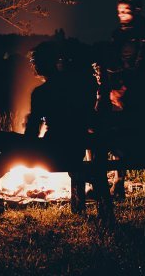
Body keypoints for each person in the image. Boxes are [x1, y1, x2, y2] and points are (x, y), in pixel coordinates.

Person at [96, 0, 145, 197]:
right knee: (119, 130)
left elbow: (142, 66)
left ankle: (125, 179)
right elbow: (112, 63)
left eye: (126, 11)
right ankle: (124, 179)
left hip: (134, 95)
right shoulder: (118, 34)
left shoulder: (144, 36)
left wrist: (124, 90)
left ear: (136, 11)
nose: (122, 14)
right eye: (119, 11)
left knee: (123, 130)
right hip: (119, 92)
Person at [23, 41, 94, 214]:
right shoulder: (75, 87)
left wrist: (24, 149)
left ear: (44, 62)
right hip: (75, 152)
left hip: (53, 153)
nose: (32, 65)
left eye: (34, 61)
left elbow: (31, 134)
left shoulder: (41, 92)